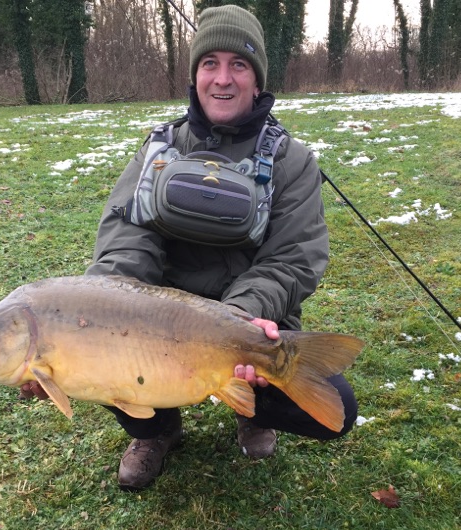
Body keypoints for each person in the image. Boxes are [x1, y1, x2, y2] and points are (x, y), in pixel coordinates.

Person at [25, 5, 358, 490]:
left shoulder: (292, 161)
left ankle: (250, 409)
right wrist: (86, 314)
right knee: (89, 340)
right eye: (210, 64)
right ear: (195, 73)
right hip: (158, 329)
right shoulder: (159, 152)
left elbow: (292, 260)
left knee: (337, 407)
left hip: (252, 326)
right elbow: (125, 243)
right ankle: (155, 429)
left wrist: (240, 319)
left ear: (257, 78)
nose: (222, 79)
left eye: (238, 65)